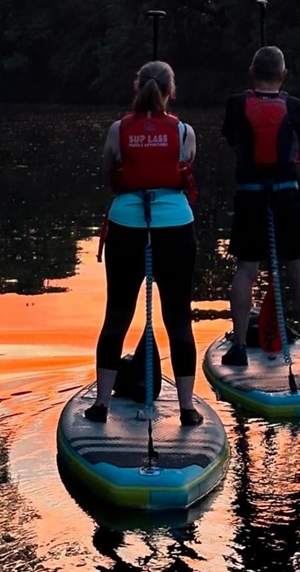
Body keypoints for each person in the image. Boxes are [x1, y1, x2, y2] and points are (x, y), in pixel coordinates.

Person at [85, 60, 203, 426]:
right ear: (170, 91)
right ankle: (187, 409)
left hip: (127, 225)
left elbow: (108, 169)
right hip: (176, 227)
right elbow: (186, 165)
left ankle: (101, 405)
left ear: (137, 88)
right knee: (179, 318)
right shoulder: (184, 131)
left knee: (117, 315)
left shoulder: (118, 129)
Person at [220, 45, 300, 367]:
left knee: (246, 269)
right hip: (287, 195)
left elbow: (233, 142)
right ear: (283, 74)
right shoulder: (296, 106)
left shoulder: (236, 103)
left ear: (252, 72)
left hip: (250, 196)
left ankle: (239, 347)